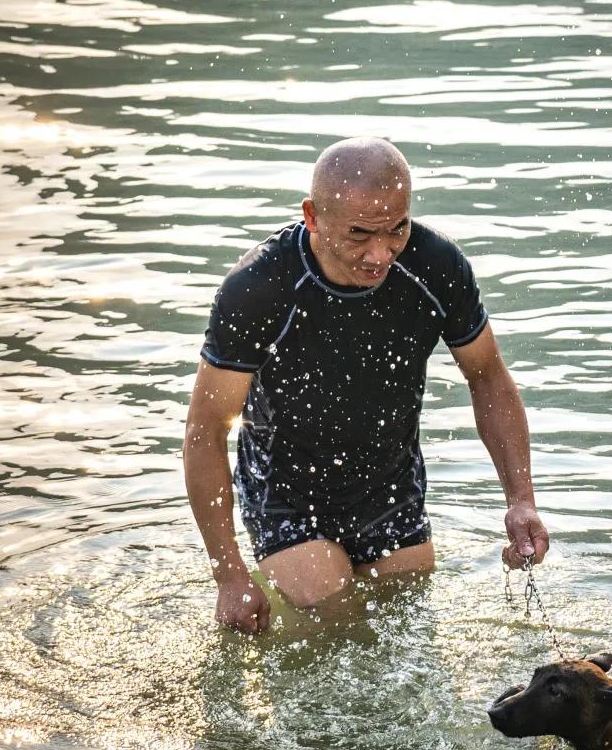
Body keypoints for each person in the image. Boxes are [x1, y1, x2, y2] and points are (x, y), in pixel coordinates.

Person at [183, 136, 550, 633]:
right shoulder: (259, 289)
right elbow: (207, 429)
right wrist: (228, 573)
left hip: (389, 485)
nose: (381, 255)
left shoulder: (436, 267)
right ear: (312, 217)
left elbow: (487, 378)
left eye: (396, 229)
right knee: (334, 618)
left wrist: (520, 499)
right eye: (359, 235)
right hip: (287, 491)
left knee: (403, 636)